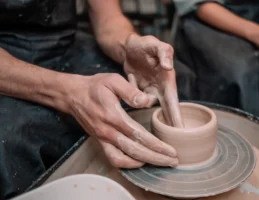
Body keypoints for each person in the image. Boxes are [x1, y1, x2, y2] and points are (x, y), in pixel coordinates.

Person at [0, 0, 185, 198]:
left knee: (172, 80)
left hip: (64, 47)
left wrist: (127, 45)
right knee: (10, 145)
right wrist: (69, 93)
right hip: (9, 69)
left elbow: (109, 19)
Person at [173, 0, 259, 117]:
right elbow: (196, 4)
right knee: (242, 72)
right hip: (208, 12)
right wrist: (254, 31)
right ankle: (246, 134)